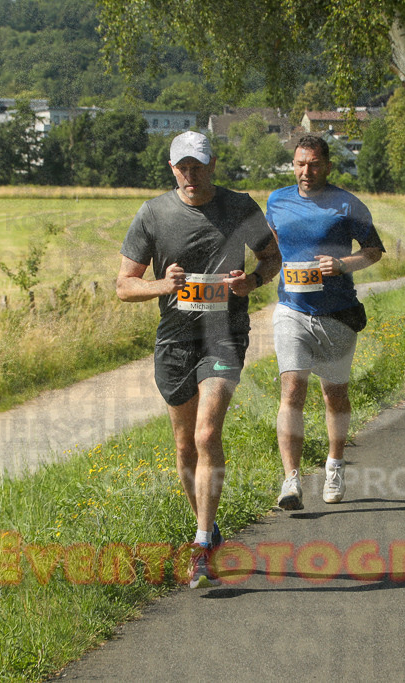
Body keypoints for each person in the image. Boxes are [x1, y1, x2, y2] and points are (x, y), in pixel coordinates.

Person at [116, 131, 281, 588]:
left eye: (198, 166)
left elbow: (272, 258)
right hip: (175, 341)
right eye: (182, 167)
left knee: (207, 433)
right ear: (172, 169)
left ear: (212, 165)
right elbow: (124, 285)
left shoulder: (239, 206)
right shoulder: (153, 213)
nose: (191, 175)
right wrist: (162, 285)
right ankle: (208, 526)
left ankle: (202, 545)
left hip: (224, 337)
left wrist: (252, 281)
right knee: (185, 446)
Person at [266, 135, 385, 510]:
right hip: (292, 310)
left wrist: (342, 264)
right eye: (300, 164)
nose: (307, 171)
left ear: (328, 166)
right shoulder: (276, 200)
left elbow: (374, 252)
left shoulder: (348, 204)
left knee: (334, 395)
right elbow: (272, 249)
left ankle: (335, 464)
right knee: (291, 390)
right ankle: (291, 479)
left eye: (314, 164)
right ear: (293, 165)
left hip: (336, 313)